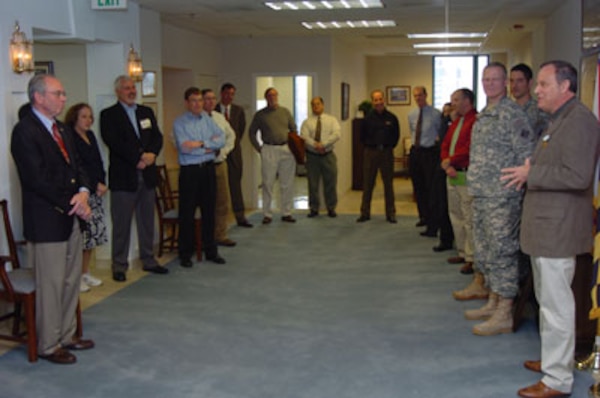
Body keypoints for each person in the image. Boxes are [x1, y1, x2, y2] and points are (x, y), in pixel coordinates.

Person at [502, 60, 600, 398]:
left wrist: (533, 175)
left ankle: (558, 381)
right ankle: (554, 361)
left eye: (543, 84)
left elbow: (577, 176)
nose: (537, 90)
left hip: (558, 231)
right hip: (546, 230)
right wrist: (534, 167)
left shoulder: (580, 121)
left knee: (557, 306)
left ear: (565, 87)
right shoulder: (560, 120)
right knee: (549, 303)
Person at [11, 74, 94, 364]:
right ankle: (48, 344)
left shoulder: (62, 129)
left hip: (71, 216)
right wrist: (73, 203)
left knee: (71, 280)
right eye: (57, 93)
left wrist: (83, 192)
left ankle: (68, 335)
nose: (63, 98)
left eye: (63, 93)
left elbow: (78, 165)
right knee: (51, 284)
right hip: (47, 220)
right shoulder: (25, 131)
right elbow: (36, 179)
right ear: (39, 97)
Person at [455, 62, 536, 336]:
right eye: (485, 79)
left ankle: (505, 312)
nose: (490, 83)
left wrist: (515, 182)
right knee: (486, 249)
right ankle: (493, 300)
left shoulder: (512, 114)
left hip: (502, 197)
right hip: (481, 193)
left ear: (505, 83)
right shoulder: (485, 115)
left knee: (503, 251)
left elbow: (528, 153)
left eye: (496, 79)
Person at [100, 75, 167, 282]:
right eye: (126, 88)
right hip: (124, 177)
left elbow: (157, 137)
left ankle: (149, 260)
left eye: (133, 88)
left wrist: (152, 155)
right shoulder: (109, 115)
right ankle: (119, 265)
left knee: (147, 220)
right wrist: (137, 158)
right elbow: (113, 141)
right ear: (118, 92)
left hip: (146, 175)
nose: (131, 91)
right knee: (121, 224)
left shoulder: (145, 112)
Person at [173, 87, 226, 266]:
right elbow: (184, 148)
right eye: (194, 101)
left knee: (209, 211)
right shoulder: (179, 123)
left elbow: (222, 139)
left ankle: (210, 250)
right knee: (187, 213)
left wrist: (201, 143)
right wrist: (209, 147)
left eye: (200, 100)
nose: (198, 104)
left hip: (208, 170)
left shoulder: (207, 119)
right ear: (187, 103)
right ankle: (185, 254)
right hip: (190, 172)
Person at [65, 103, 107, 292]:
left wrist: (102, 182)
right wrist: (92, 184)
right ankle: (76, 276)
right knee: (82, 237)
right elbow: (78, 167)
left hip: (96, 191)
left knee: (93, 236)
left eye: (90, 117)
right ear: (74, 118)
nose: (88, 120)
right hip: (82, 193)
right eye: (84, 116)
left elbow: (98, 161)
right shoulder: (70, 138)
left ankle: (85, 272)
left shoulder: (90, 136)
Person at [440, 89, 477, 275]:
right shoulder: (457, 122)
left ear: (467, 101)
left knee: (468, 219)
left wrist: (451, 161)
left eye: (456, 99)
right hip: (452, 174)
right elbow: (445, 144)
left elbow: (470, 148)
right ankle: (462, 252)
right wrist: (447, 164)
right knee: (456, 216)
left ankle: (471, 258)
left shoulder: (475, 121)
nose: (452, 103)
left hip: (466, 176)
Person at [248, 87, 298, 224]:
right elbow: (251, 132)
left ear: (278, 96)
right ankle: (267, 214)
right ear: (266, 98)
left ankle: (286, 212)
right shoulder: (260, 115)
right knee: (268, 183)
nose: (273, 97)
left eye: (275, 95)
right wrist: (259, 148)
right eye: (270, 95)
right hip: (268, 149)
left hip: (286, 149)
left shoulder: (285, 112)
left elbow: (294, 129)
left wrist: (294, 146)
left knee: (287, 183)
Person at [356, 89, 400, 223]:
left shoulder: (392, 117)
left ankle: (390, 213)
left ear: (384, 100)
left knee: (388, 184)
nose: (378, 102)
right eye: (375, 100)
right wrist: (371, 147)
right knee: (368, 183)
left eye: (380, 99)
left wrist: (388, 146)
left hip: (386, 152)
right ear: (372, 102)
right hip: (371, 152)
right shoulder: (367, 119)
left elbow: (396, 136)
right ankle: (365, 213)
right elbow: (361, 137)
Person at [203, 88, 236, 247]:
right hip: (202, 165)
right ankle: (205, 236)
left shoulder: (219, 117)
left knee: (223, 201)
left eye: (212, 98)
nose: (210, 102)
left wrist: (223, 151)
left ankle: (220, 234)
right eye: (206, 99)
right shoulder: (194, 119)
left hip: (220, 164)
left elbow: (231, 136)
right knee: (205, 202)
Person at [217, 83, 252, 228]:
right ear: (221, 93)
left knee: (235, 185)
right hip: (218, 153)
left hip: (235, 153)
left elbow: (241, 130)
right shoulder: (213, 111)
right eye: (226, 93)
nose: (229, 97)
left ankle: (240, 216)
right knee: (219, 189)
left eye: (232, 94)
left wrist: (232, 145)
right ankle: (221, 221)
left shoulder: (238, 110)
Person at [407, 86, 442, 231]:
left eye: (420, 95)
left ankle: (433, 220)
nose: (418, 98)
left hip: (430, 153)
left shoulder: (436, 114)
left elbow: (441, 133)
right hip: (416, 152)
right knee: (418, 186)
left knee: (430, 187)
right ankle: (423, 217)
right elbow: (412, 131)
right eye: (415, 96)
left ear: (426, 95)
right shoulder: (412, 114)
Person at [300, 96, 341, 218]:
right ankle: (314, 208)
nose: (315, 106)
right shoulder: (307, 122)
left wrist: (324, 144)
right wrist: (315, 145)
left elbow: (337, 134)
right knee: (312, 184)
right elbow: (304, 137)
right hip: (312, 157)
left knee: (331, 183)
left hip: (328, 155)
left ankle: (331, 208)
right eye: (313, 104)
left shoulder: (331, 120)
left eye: (318, 104)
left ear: (323, 105)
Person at [510, 63, 547, 138]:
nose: (514, 85)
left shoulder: (539, 112)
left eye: (520, 81)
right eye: (512, 81)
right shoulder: (507, 110)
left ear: (529, 83)